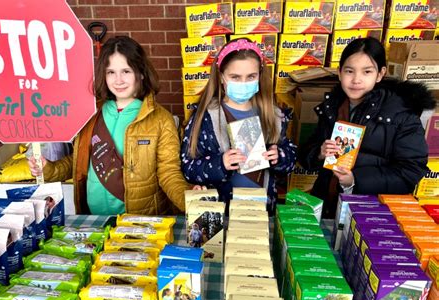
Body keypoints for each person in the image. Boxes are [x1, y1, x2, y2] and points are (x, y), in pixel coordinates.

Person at [28, 36, 191, 216]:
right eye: (111, 72)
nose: (118, 80)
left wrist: (191, 202)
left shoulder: (161, 120)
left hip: (137, 222)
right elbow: (78, 162)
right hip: (93, 220)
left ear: (141, 73)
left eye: (126, 71)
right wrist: (49, 169)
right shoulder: (90, 114)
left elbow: (169, 173)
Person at [299, 37, 435, 218]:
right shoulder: (333, 106)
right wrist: (320, 152)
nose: (356, 79)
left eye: (367, 72)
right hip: (328, 207)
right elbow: (307, 155)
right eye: (349, 71)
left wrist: (356, 180)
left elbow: (411, 171)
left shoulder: (401, 114)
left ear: (380, 74)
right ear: (339, 73)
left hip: (370, 214)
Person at [181, 38, 296, 214]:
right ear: (221, 77)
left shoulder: (272, 115)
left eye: (251, 76)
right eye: (235, 77)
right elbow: (188, 167)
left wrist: (278, 157)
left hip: (262, 211)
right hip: (222, 213)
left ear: (260, 75)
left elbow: (291, 158)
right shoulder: (205, 117)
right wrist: (220, 163)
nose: (243, 83)